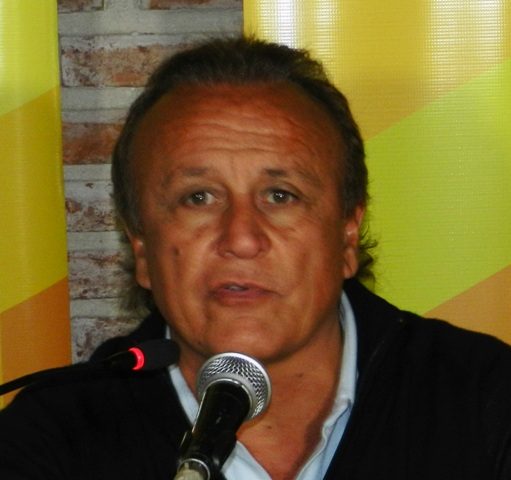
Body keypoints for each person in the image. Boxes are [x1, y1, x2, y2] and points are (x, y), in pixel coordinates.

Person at [0, 36, 510, 480]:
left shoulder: (486, 399)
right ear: (142, 249)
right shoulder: (49, 437)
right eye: (198, 198)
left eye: (280, 196)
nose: (241, 239)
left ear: (347, 236)